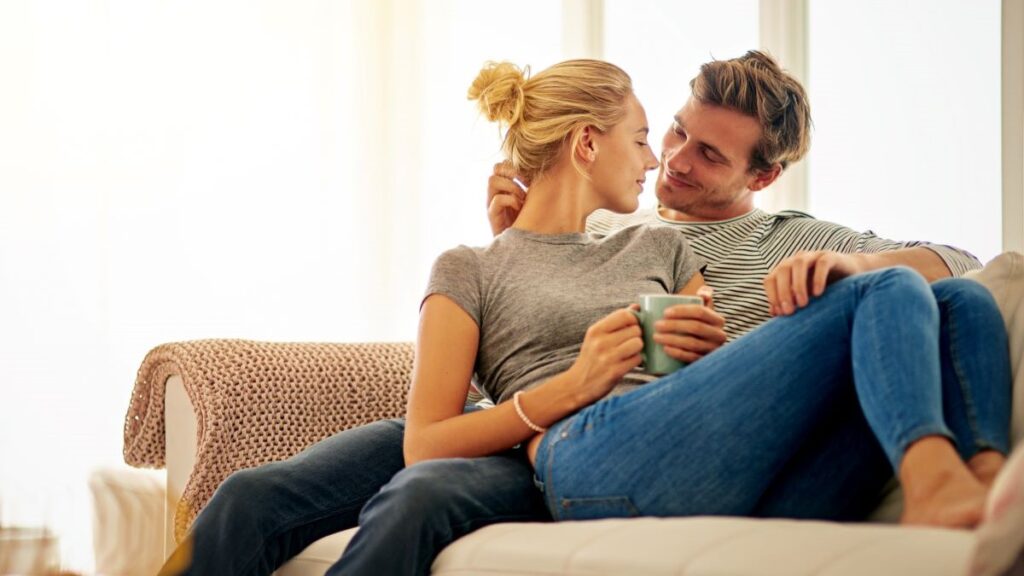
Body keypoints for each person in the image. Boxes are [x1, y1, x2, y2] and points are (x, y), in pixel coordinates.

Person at [158, 51, 993, 576]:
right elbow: (493, 342)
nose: (669, 161)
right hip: (540, 418)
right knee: (258, 496)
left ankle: (971, 483)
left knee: (916, 290)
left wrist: (852, 265)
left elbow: (959, 261)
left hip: (667, 425)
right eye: (663, 135)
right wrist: (513, 249)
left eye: (706, 154)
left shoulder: (781, 239)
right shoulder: (613, 226)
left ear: (762, 179)